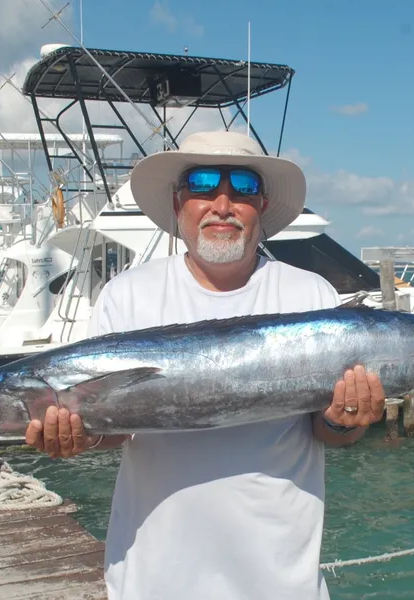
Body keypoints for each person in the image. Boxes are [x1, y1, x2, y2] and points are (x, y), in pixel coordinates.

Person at [24, 130, 388, 599]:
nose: (222, 203)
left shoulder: (309, 294)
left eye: (243, 189)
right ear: (179, 205)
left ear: (262, 206)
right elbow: (115, 428)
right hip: (155, 575)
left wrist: (347, 421)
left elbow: (327, 429)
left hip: (280, 576)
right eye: (202, 186)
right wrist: (80, 434)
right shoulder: (128, 295)